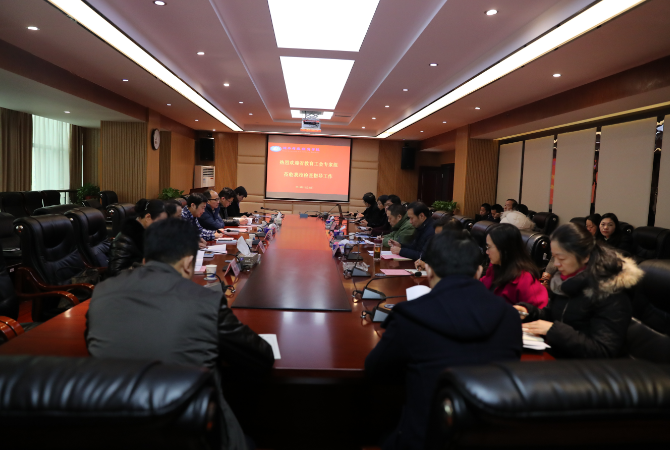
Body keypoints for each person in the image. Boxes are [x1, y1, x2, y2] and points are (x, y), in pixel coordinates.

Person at [86, 218, 274, 450]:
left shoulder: (101, 293)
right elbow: (261, 357)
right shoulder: (205, 301)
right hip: (192, 435)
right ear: (188, 263)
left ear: (145, 259)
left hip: (116, 432)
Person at [366, 230, 522, 450]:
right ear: (478, 271)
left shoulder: (411, 316)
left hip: (424, 440)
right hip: (491, 439)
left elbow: (374, 369)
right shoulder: (510, 317)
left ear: (429, 270)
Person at [515, 223, 642, 358]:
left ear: (586, 256)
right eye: (554, 257)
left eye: (561, 258)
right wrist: (527, 312)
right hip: (558, 356)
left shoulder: (610, 291)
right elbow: (552, 315)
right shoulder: (565, 280)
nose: (556, 264)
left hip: (587, 367)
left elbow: (603, 350)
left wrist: (554, 330)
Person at [480, 224, 548, 308]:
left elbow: (537, 310)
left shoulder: (524, 278)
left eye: (489, 247)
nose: (487, 252)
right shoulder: (495, 266)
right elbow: (483, 285)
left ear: (504, 248)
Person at [108, 199, 166, 276]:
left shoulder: (150, 233)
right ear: (148, 217)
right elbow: (116, 272)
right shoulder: (125, 238)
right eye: (161, 222)